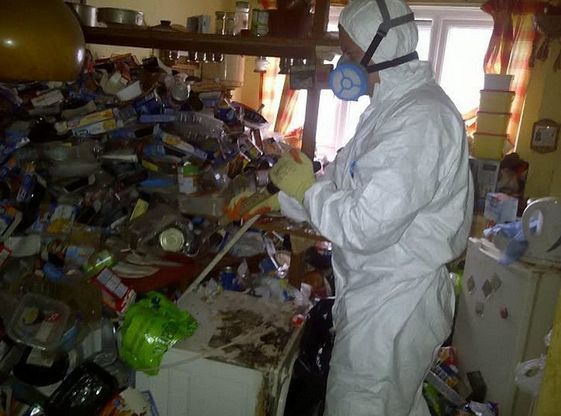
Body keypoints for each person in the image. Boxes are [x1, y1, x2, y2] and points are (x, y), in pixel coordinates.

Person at [268, 0, 474, 414]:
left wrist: (309, 193)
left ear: (379, 49)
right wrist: (287, 198)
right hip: (377, 292)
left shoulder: (420, 119)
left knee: (363, 404)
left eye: (348, 53)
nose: (342, 63)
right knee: (394, 405)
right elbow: (344, 181)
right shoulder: (390, 106)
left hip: (394, 305)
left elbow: (365, 225)